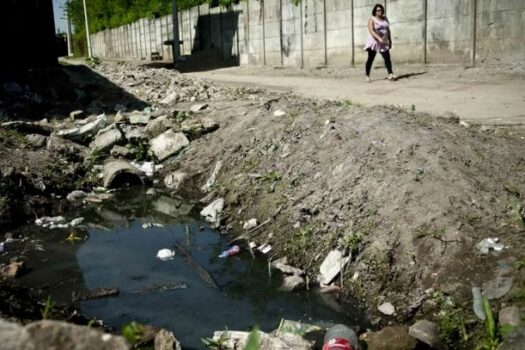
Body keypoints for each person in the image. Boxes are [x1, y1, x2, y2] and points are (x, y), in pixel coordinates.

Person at [364, 3, 396, 82]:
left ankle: (390, 74)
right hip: (374, 41)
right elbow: (371, 30)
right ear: (375, 12)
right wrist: (378, 38)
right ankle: (367, 75)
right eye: (378, 10)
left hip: (383, 41)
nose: (380, 11)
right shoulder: (372, 19)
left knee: (387, 57)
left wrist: (390, 40)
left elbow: (388, 30)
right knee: (371, 59)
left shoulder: (385, 18)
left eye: (381, 10)